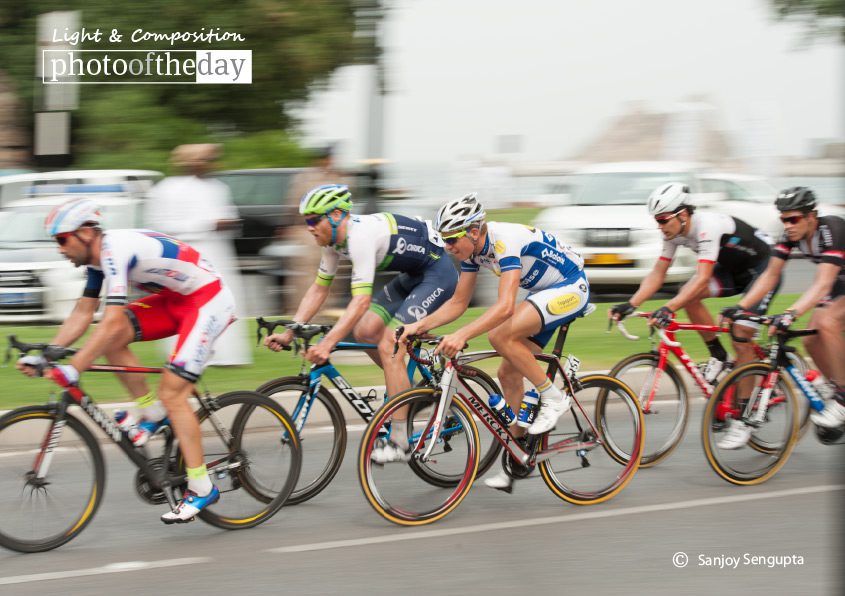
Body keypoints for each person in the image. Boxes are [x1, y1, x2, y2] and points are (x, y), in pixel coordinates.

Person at [16, 197, 236, 523]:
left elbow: (111, 319)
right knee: (114, 340)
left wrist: (74, 368)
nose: (60, 249)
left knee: (173, 393)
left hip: (207, 299)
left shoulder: (113, 251)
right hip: (175, 299)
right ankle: (150, 412)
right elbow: (83, 312)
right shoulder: (95, 262)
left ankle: (202, 488)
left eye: (62, 240)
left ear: (87, 233)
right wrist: (48, 352)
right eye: (56, 242)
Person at [397, 192, 591, 492]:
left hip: (570, 286)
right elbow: (459, 302)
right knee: (507, 373)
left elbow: (504, 307)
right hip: (543, 295)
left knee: (500, 335)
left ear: (474, 231)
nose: (448, 247)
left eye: (452, 239)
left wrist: (461, 335)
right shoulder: (473, 252)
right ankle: (516, 458)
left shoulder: (504, 240)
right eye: (444, 240)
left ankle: (553, 398)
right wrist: (417, 325)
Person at [263, 184, 458, 463]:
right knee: (366, 331)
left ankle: (400, 441)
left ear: (336, 215)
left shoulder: (359, 238)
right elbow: (319, 289)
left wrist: (328, 344)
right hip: (413, 274)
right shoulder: (332, 243)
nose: (308, 227)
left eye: (312, 219)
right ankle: (410, 392)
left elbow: (360, 302)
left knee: (391, 343)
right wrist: (290, 332)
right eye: (305, 220)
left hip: (437, 274)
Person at [608, 182, 778, 397]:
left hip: (763, 269)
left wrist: (669, 308)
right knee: (687, 296)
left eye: (662, 220)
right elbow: (658, 273)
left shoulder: (706, 227)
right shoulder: (673, 232)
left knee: (740, 335)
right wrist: (631, 304)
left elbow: (703, 277)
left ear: (683, 215)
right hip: (733, 270)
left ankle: (744, 413)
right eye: (656, 220)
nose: (659, 226)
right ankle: (720, 358)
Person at [721, 187, 845, 439]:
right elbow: (770, 274)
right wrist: (742, 307)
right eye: (783, 219)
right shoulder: (791, 234)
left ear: (812, 216)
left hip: (835, 280)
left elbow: (822, 284)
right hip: (840, 281)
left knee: (828, 321)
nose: (787, 225)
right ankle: (836, 390)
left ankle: (842, 400)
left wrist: (790, 313)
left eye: (793, 219)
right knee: (810, 337)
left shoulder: (831, 231)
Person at [146, 143, 251, 366]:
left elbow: (229, 218)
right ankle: (190, 352)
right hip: (186, 254)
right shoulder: (166, 189)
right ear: (190, 162)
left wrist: (228, 224)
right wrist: (208, 224)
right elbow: (160, 224)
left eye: (210, 161)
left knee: (224, 299)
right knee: (191, 302)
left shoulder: (218, 187)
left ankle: (225, 355)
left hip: (218, 252)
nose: (208, 165)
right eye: (203, 160)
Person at [280, 145, 352, 313]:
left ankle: (326, 312)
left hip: (335, 232)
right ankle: (305, 314)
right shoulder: (305, 178)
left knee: (334, 276)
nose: (329, 161)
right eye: (327, 157)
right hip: (309, 232)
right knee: (308, 277)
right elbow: (293, 206)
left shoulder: (339, 177)